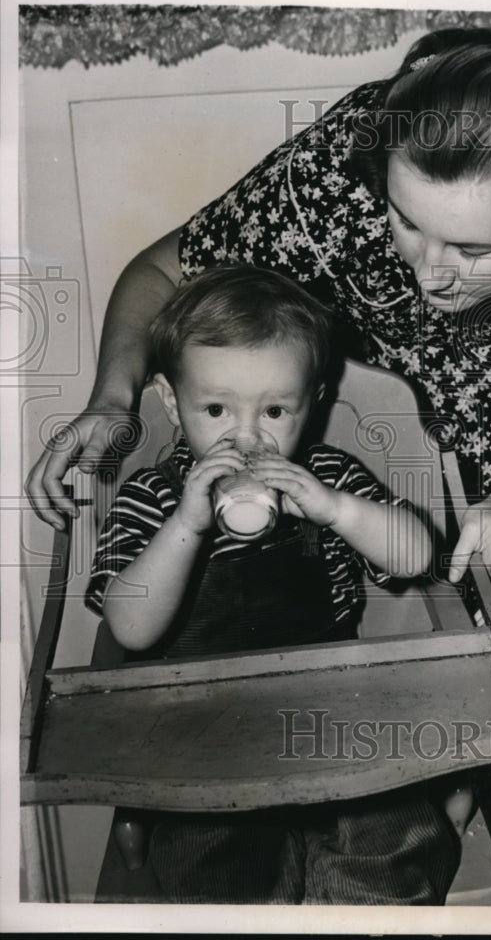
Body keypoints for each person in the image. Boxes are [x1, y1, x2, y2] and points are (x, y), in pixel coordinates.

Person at [27, 26, 491, 904]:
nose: (430, 272)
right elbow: (159, 274)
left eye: (472, 250)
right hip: (381, 441)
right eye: (408, 224)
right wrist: (112, 399)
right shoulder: (337, 172)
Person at [84, 264, 463, 905]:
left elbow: (417, 555)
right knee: (224, 876)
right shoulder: (153, 497)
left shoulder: (323, 478)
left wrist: (338, 510)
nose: (249, 437)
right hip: (202, 729)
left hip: (336, 710)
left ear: (312, 401)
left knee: (391, 837)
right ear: (172, 403)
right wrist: (186, 525)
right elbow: (130, 627)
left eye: (277, 410)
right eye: (215, 409)